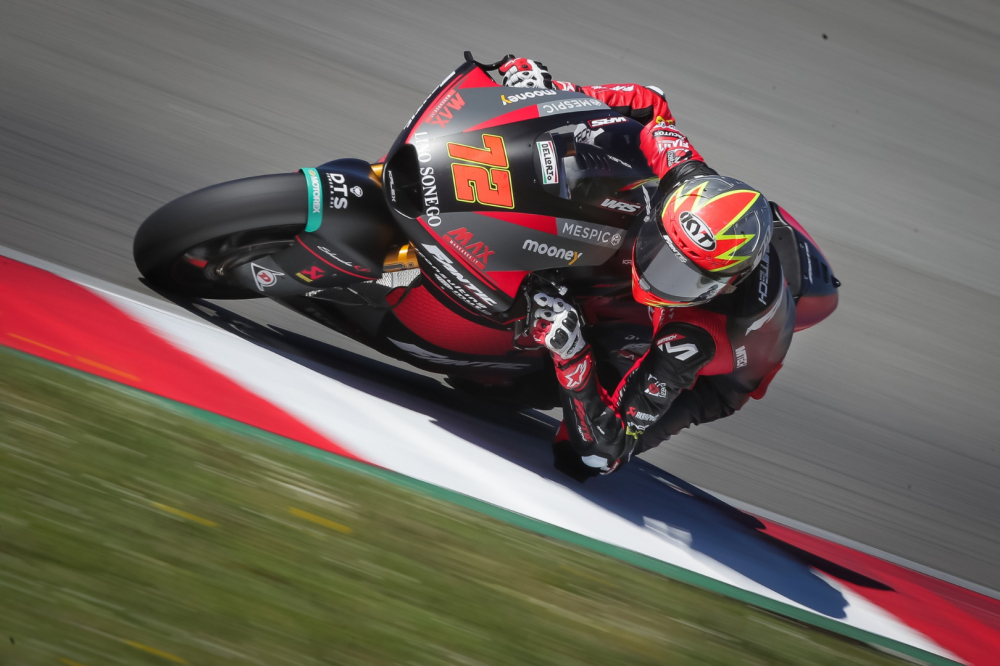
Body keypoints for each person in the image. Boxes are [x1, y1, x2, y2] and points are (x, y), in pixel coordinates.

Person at [500, 58, 795, 479]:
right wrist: (552, 90)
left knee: (580, 459)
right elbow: (651, 105)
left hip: (716, 375)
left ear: (722, 286)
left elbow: (606, 448)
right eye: (663, 247)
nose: (658, 273)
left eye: (683, 275)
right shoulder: (687, 180)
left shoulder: (689, 342)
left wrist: (572, 356)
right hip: (713, 263)